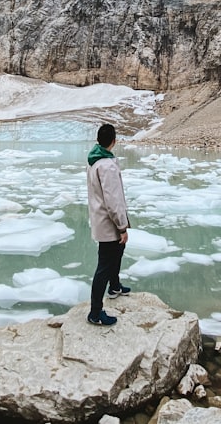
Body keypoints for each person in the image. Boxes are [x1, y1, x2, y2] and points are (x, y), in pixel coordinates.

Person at [86, 122, 131, 326]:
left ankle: (115, 286)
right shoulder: (108, 166)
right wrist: (122, 226)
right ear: (114, 141)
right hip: (109, 223)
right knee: (104, 264)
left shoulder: (94, 161)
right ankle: (95, 312)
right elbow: (113, 201)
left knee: (115, 253)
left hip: (99, 218)